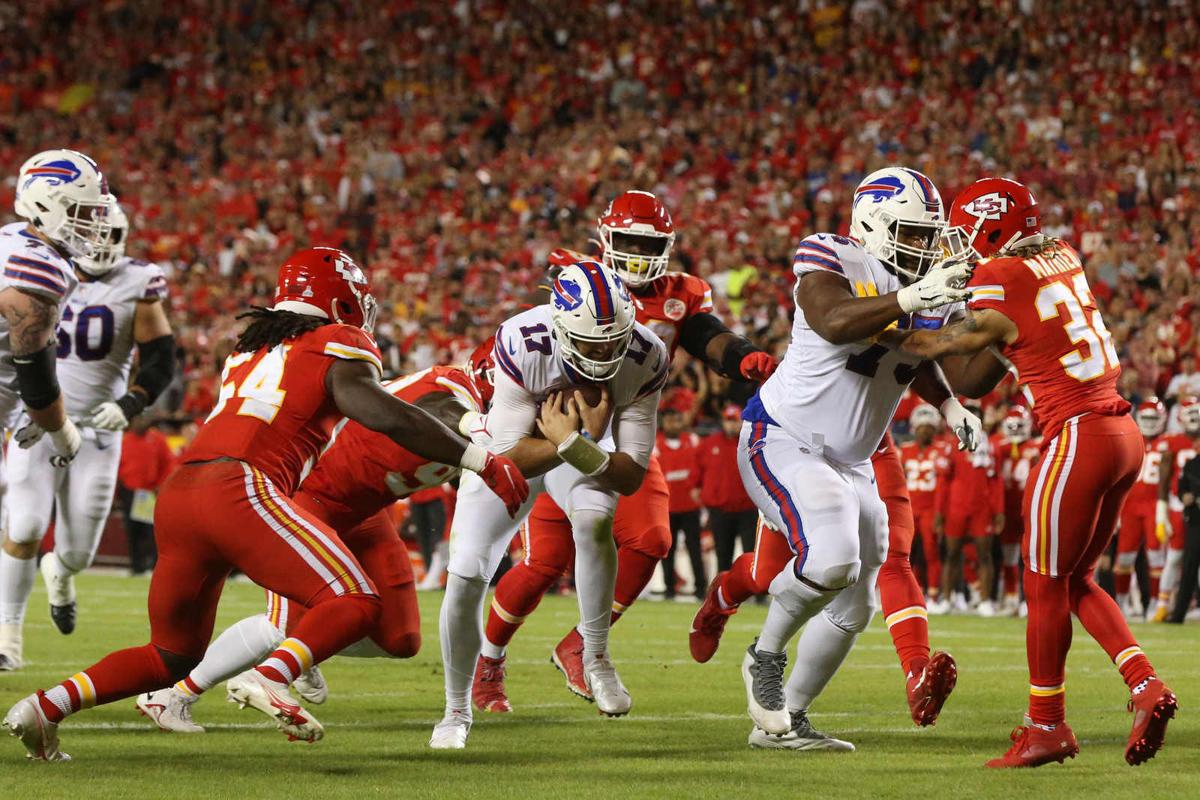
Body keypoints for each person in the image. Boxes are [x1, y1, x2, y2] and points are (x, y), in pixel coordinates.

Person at [3, 247, 528, 761]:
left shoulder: (251, 346)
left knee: (170, 656)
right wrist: (481, 459)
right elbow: (383, 414)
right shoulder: (336, 340)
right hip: (243, 486)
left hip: (182, 493)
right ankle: (271, 674)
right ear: (342, 300)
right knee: (354, 599)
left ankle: (45, 707)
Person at [891, 176, 1177, 767]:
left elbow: (937, 346)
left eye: (965, 232)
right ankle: (1146, 685)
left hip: (1077, 435)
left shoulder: (999, 276)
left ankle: (1046, 724)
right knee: (1075, 582)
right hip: (1119, 434)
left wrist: (878, 321)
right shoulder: (1059, 254)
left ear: (990, 227)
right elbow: (977, 375)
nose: (958, 244)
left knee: (1043, 583)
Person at [473, 191, 776, 714]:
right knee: (544, 561)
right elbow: (535, 343)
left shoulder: (676, 302)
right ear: (606, 239)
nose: (637, 253)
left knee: (651, 536)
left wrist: (741, 356)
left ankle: (585, 646)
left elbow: (707, 335)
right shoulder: (577, 282)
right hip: (545, 430)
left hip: (618, 429)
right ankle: (488, 663)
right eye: (629, 241)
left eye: (647, 244)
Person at [136, 346, 505, 737]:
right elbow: (440, 409)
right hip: (310, 496)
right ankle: (174, 694)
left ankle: (302, 648)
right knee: (282, 627)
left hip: (365, 512)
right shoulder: (455, 391)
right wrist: (476, 432)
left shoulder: (485, 413)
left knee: (401, 638)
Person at [734, 167, 980, 749]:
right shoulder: (833, 256)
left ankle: (785, 722)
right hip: (784, 437)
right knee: (832, 559)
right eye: (913, 233)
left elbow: (915, 351)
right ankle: (762, 657)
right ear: (872, 225)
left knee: (856, 603)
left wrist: (951, 403)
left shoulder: (923, 289)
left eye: (929, 235)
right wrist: (914, 297)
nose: (925, 247)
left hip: (854, 460)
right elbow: (835, 320)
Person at [432, 258, 667, 750]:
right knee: (467, 571)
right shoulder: (523, 340)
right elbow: (506, 458)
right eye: (591, 342)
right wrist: (577, 437)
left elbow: (629, 476)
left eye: (613, 340)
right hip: (509, 453)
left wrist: (575, 443)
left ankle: (595, 655)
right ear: (560, 329)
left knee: (596, 518)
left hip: (569, 447)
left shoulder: (647, 355)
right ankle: (455, 711)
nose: (605, 352)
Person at [1, 202, 176, 668]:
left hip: (97, 431)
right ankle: (7, 638)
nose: (96, 243)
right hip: (35, 421)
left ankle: (60, 572)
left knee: (77, 552)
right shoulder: (41, 265)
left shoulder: (138, 281)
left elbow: (160, 357)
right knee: (25, 525)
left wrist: (130, 403)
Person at [0, 150, 112, 670]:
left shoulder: (9, 239)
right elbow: (37, 379)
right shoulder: (37, 265)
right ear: (50, 204)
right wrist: (62, 431)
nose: (92, 224)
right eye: (84, 212)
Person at [936, 401, 1004, 615]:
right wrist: (939, 512)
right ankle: (946, 599)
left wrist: (999, 511)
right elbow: (944, 481)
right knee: (951, 554)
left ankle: (985, 601)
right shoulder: (951, 445)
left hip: (981, 507)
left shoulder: (989, 446)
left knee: (985, 555)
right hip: (957, 506)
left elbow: (995, 480)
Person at [1114, 399, 1172, 619]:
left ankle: (1156, 604)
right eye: (1146, 418)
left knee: (1157, 557)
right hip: (1129, 505)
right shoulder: (1130, 438)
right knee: (1124, 559)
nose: (1149, 423)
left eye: (1153, 419)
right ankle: (1120, 605)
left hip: (1153, 505)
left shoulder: (1168, 442)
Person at [991, 405, 1042, 615]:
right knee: (1010, 556)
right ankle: (1012, 598)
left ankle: (1028, 600)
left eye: (1018, 425)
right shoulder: (998, 446)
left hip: (1030, 508)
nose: (1014, 429)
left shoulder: (1036, 446)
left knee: (1032, 557)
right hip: (1008, 509)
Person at [899, 404, 951, 604]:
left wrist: (941, 512)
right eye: (921, 427)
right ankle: (911, 592)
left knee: (931, 551)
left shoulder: (942, 449)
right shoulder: (905, 450)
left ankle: (934, 594)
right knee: (907, 552)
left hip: (931, 508)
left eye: (928, 427)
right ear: (914, 427)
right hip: (909, 508)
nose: (924, 430)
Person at [1154, 396, 1200, 620]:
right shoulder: (1171, 441)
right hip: (1177, 504)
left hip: (1194, 508)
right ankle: (1162, 605)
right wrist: (1161, 512)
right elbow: (1164, 479)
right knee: (1175, 556)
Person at [701, 404, 758, 574]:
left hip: (748, 508)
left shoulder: (751, 442)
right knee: (723, 554)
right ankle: (722, 595)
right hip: (720, 509)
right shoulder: (709, 443)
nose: (731, 425)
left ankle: (757, 594)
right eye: (728, 421)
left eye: (735, 421)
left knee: (751, 554)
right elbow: (697, 471)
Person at [657, 403, 705, 600]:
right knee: (668, 550)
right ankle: (669, 588)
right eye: (670, 421)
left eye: (677, 420)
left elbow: (703, 468)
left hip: (690, 507)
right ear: (663, 423)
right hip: (666, 507)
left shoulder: (693, 440)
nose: (674, 424)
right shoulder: (655, 446)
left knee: (695, 549)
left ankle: (701, 588)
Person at [118, 414, 177, 575]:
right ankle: (136, 565)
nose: (141, 422)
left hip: (151, 492)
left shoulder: (157, 439)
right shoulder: (124, 441)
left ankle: (154, 565)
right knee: (132, 530)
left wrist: (161, 485)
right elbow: (117, 468)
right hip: (130, 492)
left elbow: (168, 462)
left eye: (143, 419)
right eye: (138, 419)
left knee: (151, 531)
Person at [1168, 449, 1200, 623]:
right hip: (1196, 522)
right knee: (1189, 567)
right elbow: (1181, 489)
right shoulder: (1191, 464)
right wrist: (1184, 496)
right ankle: (1178, 614)